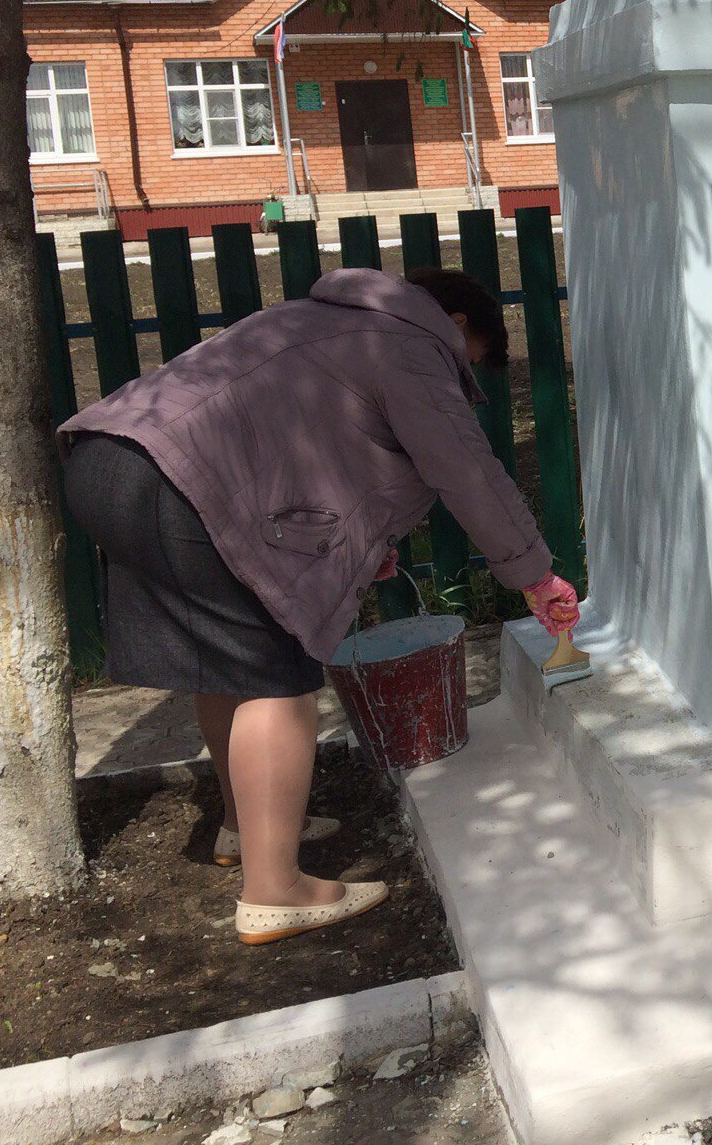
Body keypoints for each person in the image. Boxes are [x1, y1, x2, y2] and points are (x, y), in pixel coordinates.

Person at [61, 266, 581, 945]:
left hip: (110, 463)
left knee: (222, 666)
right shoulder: (409, 343)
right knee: (278, 674)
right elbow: (466, 470)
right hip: (183, 487)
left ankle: (247, 827)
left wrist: (363, 546)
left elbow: (303, 449)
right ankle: (275, 890)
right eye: (472, 361)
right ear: (455, 325)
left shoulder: (321, 318)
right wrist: (537, 576)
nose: (465, 374)